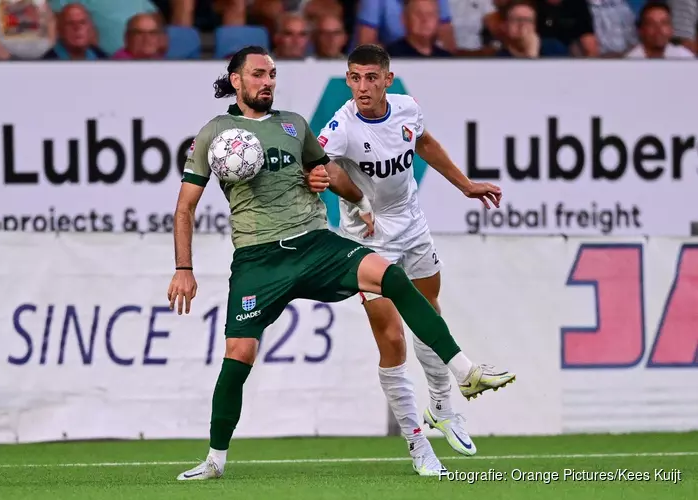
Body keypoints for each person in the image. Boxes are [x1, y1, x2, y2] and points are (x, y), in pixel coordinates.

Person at [168, 45, 511, 481]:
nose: (267, 82)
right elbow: (185, 208)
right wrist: (184, 268)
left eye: (272, 74)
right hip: (259, 258)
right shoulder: (215, 134)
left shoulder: (294, 125)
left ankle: (464, 372)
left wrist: (355, 199)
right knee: (238, 355)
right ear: (236, 80)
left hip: (315, 244)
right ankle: (215, 460)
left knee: (391, 277)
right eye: (258, 74)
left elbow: (326, 171)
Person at [310, 44, 516, 466]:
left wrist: (466, 185)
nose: (362, 87)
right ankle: (416, 443)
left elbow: (425, 143)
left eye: (371, 77)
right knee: (391, 339)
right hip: (368, 240)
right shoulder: (342, 126)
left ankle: (441, 408)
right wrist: (358, 202)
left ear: (387, 78)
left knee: (427, 311)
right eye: (354, 77)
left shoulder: (406, 108)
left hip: (413, 225)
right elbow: (320, 166)